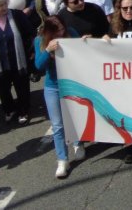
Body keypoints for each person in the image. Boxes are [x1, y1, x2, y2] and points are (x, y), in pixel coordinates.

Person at [33, 16, 85, 179]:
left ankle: (78, 142)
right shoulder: (39, 41)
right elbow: (38, 66)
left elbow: (83, 53)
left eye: (62, 29)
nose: (61, 33)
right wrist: (48, 50)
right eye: (57, 31)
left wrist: (84, 43)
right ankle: (62, 160)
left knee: (75, 116)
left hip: (72, 83)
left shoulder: (71, 33)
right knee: (57, 124)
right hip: (53, 86)